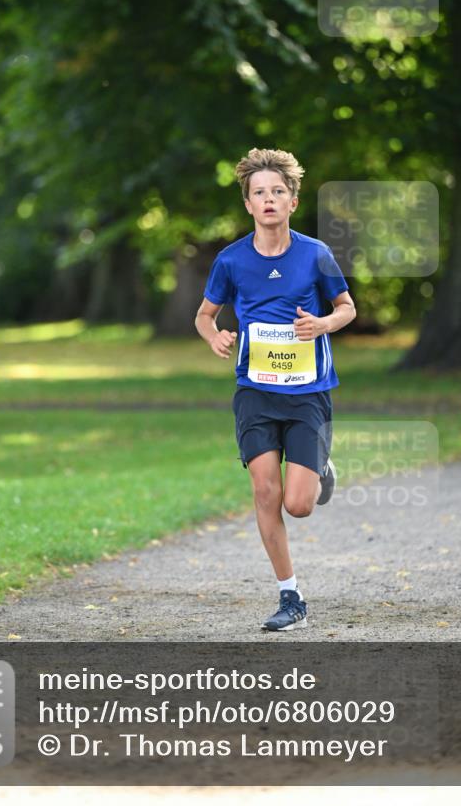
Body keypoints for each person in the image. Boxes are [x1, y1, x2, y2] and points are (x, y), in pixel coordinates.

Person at [195, 148, 356, 632]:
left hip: (307, 393)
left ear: (292, 201)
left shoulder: (315, 254)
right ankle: (291, 597)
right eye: (259, 192)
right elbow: (204, 316)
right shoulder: (231, 260)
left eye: (278, 191)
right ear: (248, 204)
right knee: (266, 491)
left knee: (298, 505)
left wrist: (322, 323)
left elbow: (346, 308)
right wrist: (215, 336)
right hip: (256, 393)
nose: (269, 199)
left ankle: (318, 466)